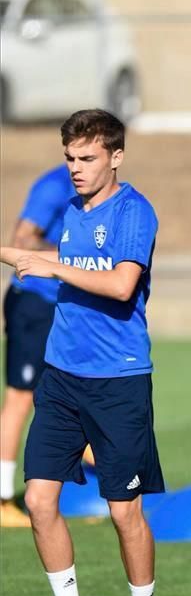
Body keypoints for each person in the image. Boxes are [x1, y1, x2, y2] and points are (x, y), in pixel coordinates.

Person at [0, 108, 165, 596]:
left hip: (119, 380)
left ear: (116, 157)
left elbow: (121, 285)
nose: (75, 168)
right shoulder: (71, 210)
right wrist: (23, 257)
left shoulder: (134, 212)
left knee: (124, 512)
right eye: (69, 158)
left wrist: (52, 268)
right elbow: (36, 259)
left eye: (87, 158)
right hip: (61, 377)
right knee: (40, 500)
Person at [1, 164, 74, 528]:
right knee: (20, 398)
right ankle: (2, 499)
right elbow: (23, 238)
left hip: (65, 307)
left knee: (69, 392)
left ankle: (112, 482)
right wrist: (71, 254)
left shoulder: (108, 196)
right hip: (34, 302)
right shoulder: (53, 185)